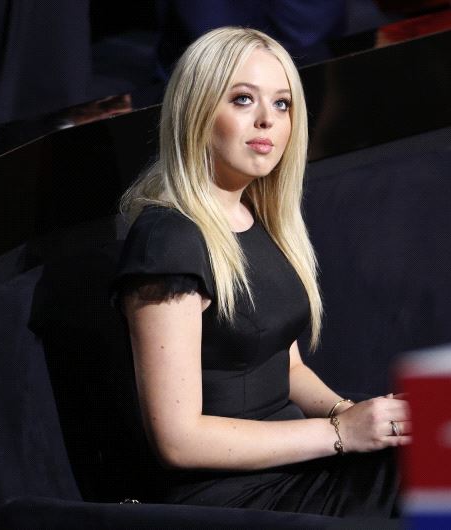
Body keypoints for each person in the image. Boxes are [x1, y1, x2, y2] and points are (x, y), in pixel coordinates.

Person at [112, 26, 411, 517]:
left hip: (297, 459)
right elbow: (178, 440)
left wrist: (350, 413)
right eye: (243, 99)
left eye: (282, 103)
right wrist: (339, 434)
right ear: (196, 110)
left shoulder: (258, 215)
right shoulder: (168, 240)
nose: (267, 120)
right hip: (233, 497)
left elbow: (287, 369)